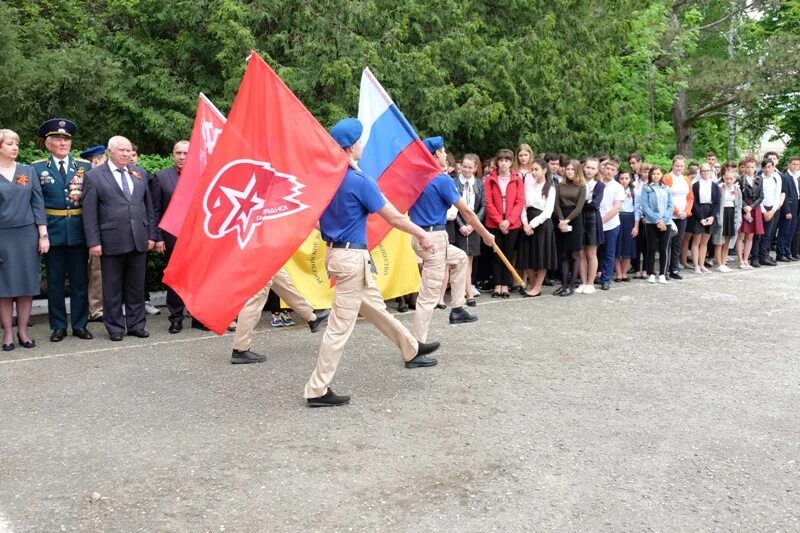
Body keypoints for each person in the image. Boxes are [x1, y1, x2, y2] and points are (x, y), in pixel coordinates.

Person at [303, 118, 440, 408]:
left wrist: (333, 232)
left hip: (337, 254)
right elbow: (393, 217)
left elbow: (314, 220)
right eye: (360, 141)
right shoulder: (359, 180)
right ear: (352, 147)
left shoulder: (327, 179)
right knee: (339, 327)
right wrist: (421, 235)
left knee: (375, 308)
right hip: (352, 258)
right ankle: (317, 389)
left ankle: (410, 348)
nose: (363, 145)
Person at [410, 136, 495, 343]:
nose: (446, 155)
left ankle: (457, 308)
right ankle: (416, 345)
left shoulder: (414, 177)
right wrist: (485, 234)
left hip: (420, 236)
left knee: (460, 258)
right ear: (437, 154)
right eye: (443, 151)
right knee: (428, 296)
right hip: (434, 238)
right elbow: (466, 210)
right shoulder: (441, 179)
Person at [82, 136, 158, 341]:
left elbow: (148, 207)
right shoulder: (95, 176)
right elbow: (89, 214)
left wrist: (152, 234)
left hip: (139, 238)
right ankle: (115, 328)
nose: (126, 153)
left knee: (136, 286)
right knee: (112, 288)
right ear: (109, 151)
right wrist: (93, 242)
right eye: (121, 150)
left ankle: (136, 324)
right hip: (110, 240)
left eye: (128, 150)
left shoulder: (140, 173)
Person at [31, 118, 93, 342]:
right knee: (55, 283)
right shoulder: (36, 168)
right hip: (53, 232)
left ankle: (79, 325)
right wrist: (41, 234)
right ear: (48, 144)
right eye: (57, 138)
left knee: (79, 282)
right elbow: (36, 204)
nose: (63, 142)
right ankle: (58, 326)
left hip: (78, 231)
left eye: (66, 138)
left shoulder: (84, 167)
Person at [151, 140, 210, 333]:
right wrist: (158, 237)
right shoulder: (161, 177)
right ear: (172, 155)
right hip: (172, 237)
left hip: (199, 237)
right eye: (178, 153)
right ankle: (176, 318)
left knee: (198, 279)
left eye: (186, 153)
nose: (182, 157)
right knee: (176, 278)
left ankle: (199, 317)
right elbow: (155, 210)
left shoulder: (203, 175)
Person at [0, 129, 48, 351]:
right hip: (3, 236)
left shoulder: (28, 171)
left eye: (17, 143)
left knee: (26, 285)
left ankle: (23, 331)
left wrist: (43, 235)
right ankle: (8, 332)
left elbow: (38, 204)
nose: (15, 147)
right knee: (5, 287)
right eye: (10, 143)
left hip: (27, 235)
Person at [230, 268, 330, 364]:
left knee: (283, 282)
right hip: (259, 253)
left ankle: (311, 317)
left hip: (265, 253)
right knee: (257, 296)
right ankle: (240, 349)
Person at [484, 149, 524, 298]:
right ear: (497, 162)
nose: (503, 163)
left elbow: (520, 202)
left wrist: (509, 220)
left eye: (507, 160)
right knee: (496, 255)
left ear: (511, 162)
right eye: (501, 160)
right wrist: (499, 221)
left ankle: (506, 285)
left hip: (512, 224)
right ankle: (497, 285)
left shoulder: (517, 179)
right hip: (494, 223)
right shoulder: (490, 179)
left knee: (507, 254)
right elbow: (488, 202)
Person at [517, 159, 557, 297]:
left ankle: (537, 287)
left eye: (536, 169)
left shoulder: (550, 188)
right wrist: (525, 223)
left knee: (541, 256)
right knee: (526, 256)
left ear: (544, 170)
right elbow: (522, 205)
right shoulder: (528, 185)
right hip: (527, 221)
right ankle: (533, 284)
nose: (533, 172)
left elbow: (547, 212)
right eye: (532, 169)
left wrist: (532, 224)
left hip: (542, 224)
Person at [452, 153, 486, 305]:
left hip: (473, 223)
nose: (466, 170)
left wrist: (473, 224)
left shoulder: (479, 183)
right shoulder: (454, 182)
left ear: (475, 168)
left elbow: (483, 206)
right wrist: (461, 225)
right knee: (460, 260)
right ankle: (466, 294)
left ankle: (468, 292)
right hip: (458, 222)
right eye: (464, 167)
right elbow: (452, 205)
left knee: (470, 260)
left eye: (470, 167)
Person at [81, 146, 107, 322]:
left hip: (109, 230)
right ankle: (96, 308)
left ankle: (104, 306)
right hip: (93, 231)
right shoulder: (87, 177)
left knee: (104, 272)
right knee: (95, 271)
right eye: (98, 159)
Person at [554, 160, 586, 296]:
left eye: (572, 169)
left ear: (577, 171)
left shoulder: (581, 186)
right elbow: (556, 204)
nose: (570, 172)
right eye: (568, 169)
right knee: (564, 254)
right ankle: (564, 284)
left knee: (574, 254)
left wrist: (567, 220)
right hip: (562, 217)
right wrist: (561, 220)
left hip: (575, 219)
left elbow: (579, 207)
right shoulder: (559, 185)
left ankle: (571, 285)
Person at [639, 166, 673, 284]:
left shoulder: (667, 189)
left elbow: (670, 206)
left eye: (658, 174)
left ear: (662, 175)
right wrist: (657, 221)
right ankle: (651, 273)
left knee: (664, 249)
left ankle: (663, 273)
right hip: (651, 222)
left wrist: (664, 220)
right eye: (653, 174)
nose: (655, 176)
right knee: (651, 248)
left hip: (666, 222)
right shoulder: (646, 188)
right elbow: (645, 207)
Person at [662, 155, 694, 280]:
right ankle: (665, 269)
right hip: (670, 215)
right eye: (677, 165)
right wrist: (676, 210)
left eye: (681, 166)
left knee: (677, 242)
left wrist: (686, 211)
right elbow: (666, 197)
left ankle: (674, 268)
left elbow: (690, 197)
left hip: (683, 216)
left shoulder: (686, 179)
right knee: (667, 243)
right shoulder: (667, 177)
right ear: (672, 165)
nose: (679, 168)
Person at [597, 158, 624, 290]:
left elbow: (616, 207)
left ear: (616, 172)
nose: (609, 171)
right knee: (596, 251)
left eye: (612, 169)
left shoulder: (618, 187)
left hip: (611, 224)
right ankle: (596, 274)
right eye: (607, 168)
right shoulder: (597, 183)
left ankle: (606, 278)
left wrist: (602, 220)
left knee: (609, 251)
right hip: (595, 223)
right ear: (603, 169)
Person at [578, 158, 604, 294]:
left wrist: (582, 203)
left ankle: (590, 283)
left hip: (592, 219)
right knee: (580, 252)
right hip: (578, 218)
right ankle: (583, 282)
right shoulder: (578, 182)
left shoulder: (599, 185)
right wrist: (586, 201)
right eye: (588, 167)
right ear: (583, 167)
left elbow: (595, 204)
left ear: (597, 170)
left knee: (591, 253)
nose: (589, 170)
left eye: (593, 168)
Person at [689, 163, 720, 275]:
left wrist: (712, 216)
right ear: (700, 172)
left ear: (711, 172)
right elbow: (694, 202)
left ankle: (702, 264)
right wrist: (700, 218)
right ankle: (696, 265)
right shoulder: (696, 185)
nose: (706, 173)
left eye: (708, 170)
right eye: (703, 171)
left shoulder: (714, 185)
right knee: (696, 240)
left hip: (710, 211)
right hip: (699, 212)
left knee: (705, 241)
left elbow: (717, 202)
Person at [735, 157, 764, 269]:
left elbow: (761, 196)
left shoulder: (759, 179)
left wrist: (751, 207)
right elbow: (737, 196)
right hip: (742, 208)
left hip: (754, 208)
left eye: (752, 167)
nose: (750, 169)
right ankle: (740, 260)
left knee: (750, 235)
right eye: (748, 167)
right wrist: (745, 206)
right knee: (741, 235)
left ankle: (746, 259)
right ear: (744, 168)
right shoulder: (739, 179)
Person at [712, 163, 741, 272]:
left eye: (731, 179)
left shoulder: (737, 189)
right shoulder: (720, 188)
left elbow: (739, 204)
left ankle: (724, 262)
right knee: (720, 239)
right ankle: (719, 263)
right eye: (727, 178)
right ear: (723, 178)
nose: (729, 181)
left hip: (731, 213)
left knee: (727, 239)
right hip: (722, 213)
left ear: (734, 179)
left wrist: (739, 219)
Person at [757, 158, 783, 266]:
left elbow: (777, 196)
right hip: (760, 209)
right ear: (762, 168)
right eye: (765, 167)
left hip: (772, 209)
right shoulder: (759, 179)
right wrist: (764, 211)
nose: (767, 169)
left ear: (773, 167)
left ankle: (764, 256)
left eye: (769, 167)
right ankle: (756, 256)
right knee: (758, 235)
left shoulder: (777, 178)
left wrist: (772, 211)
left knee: (768, 235)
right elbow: (758, 197)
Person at [614, 170, 638, 282]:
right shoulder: (615, 190)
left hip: (629, 219)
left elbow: (637, 209)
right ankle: (618, 273)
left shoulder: (634, 191)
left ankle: (624, 273)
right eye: (621, 178)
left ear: (630, 179)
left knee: (628, 246)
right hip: (617, 217)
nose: (624, 181)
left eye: (626, 178)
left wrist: (636, 226)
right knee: (617, 246)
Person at [776, 156, 799, 262]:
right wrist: (787, 211)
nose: (796, 166)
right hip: (788, 208)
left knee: (791, 232)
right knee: (784, 232)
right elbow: (784, 195)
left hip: (796, 207)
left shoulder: (797, 176)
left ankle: (787, 252)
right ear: (789, 164)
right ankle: (781, 254)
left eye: (798, 164)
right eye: (794, 164)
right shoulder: (785, 177)